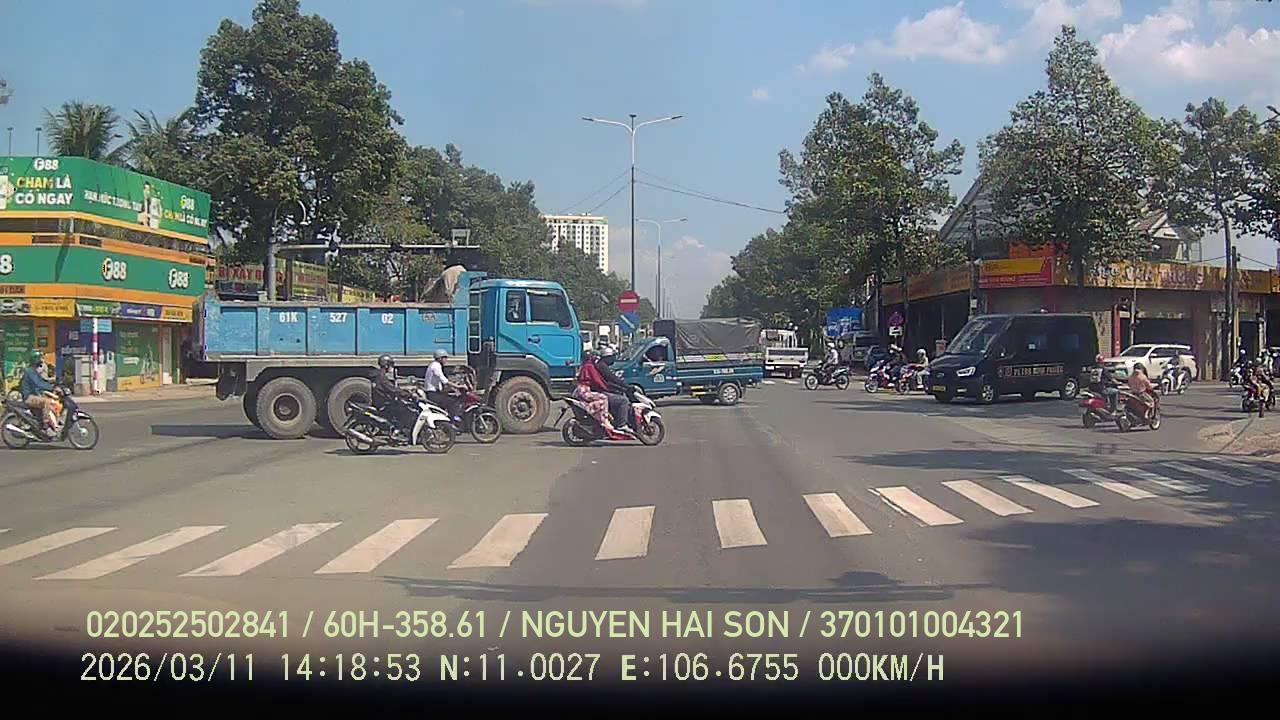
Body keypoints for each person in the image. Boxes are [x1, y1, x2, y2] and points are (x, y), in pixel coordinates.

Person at [573, 351, 626, 439]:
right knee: (603, 398)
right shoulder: (589, 366)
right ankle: (604, 421)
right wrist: (606, 387)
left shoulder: (586, 366)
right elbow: (597, 380)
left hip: (582, 389)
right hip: (584, 390)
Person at [371, 354, 418, 440]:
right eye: (391, 365)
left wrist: (403, 392)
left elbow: (391, 389)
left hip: (381, 402)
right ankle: (397, 431)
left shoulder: (379, 375)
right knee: (406, 411)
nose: (392, 367)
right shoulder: (382, 377)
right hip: (384, 404)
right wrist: (408, 394)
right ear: (386, 365)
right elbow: (392, 389)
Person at [592, 346, 632, 430]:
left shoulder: (601, 365)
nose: (614, 359)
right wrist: (626, 386)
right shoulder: (602, 366)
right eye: (612, 357)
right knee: (624, 401)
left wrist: (621, 388)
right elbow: (613, 379)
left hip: (600, 390)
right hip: (600, 392)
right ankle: (621, 424)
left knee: (620, 394)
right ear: (607, 357)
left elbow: (609, 382)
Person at [20, 352, 58, 434]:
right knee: (47, 402)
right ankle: (45, 425)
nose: (42, 360)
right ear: (35, 360)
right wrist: (52, 388)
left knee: (50, 401)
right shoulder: (30, 371)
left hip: (34, 395)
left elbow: (41, 381)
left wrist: (52, 383)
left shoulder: (33, 370)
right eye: (40, 358)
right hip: (29, 397)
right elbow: (38, 383)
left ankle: (47, 423)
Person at [423, 349, 466, 421]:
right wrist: (458, 386)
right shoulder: (436, 366)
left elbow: (441, 381)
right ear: (440, 358)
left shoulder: (434, 365)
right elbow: (444, 380)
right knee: (453, 402)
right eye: (445, 357)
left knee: (451, 396)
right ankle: (453, 420)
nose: (446, 359)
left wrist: (454, 389)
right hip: (433, 394)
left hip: (435, 392)